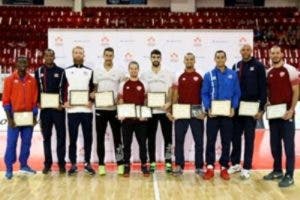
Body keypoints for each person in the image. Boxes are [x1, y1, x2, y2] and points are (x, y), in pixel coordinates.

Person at [229, 44, 267, 179]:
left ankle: (247, 166)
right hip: (238, 107)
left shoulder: (258, 65)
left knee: (249, 138)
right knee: (235, 137)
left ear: (251, 51)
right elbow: (233, 87)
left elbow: (263, 88)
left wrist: (261, 108)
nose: (245, 52)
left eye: (247, 50)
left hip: (251, 108)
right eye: (243, 50)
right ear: (240, 52)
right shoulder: (236, 66)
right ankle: (235, 163)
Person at [263, 46, 299, 187]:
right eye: (272, 53)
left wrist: (291, 109)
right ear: (269, 55)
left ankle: (289, 175)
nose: (275, 55)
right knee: (274, 145)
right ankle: (277, 170)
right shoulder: (268, 72)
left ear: (282, 54)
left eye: (277, 53)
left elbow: (296, 91)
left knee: (289, 146)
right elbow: (267, 91)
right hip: (274, 115)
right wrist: (266, 102)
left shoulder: (290, 70)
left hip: (287, 114)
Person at [202, 50, 241, 181]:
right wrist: (208, 108)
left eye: (222, 57)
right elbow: (205, 93)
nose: (220, 59)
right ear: (215, 59)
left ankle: (224, 166)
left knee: (226, 141)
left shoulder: (233, 75)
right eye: (217, 57)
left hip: (227, 114)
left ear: (226, 58)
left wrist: (233, 107)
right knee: (211, 141)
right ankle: (210, 167)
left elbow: (236, 93)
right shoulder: (209, 75)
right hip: (213, 115)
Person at [2, 56, 38, 179]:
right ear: (16, 64)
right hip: (15, 117)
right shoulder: (9, 79)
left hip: (28, 117)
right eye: (20, 62)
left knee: (26, 142)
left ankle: (24, 165)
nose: (22, 64)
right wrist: (10, 119)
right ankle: (9, 169)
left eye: (24, 62)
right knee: (11, 143)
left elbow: (34, 100)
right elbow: (6, 101)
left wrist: (34, 116)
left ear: (28, 64)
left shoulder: (32, 80)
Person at [91, 47, 125, 175]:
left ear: (113, 56)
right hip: (100, 109)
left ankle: (120, 163)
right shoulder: (97, 71)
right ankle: (101, 165)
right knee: (100, 138)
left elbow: (123, 89)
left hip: (114, 109)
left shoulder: (119, 71)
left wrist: (120, 99)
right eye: (107, 55)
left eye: (111, 55)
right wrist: (93, 94)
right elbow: (94, 88)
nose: (108, 57)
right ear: (103, 56)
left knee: (118, 138)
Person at [171, 53, 205, 176]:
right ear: (184, 61)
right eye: (187, 59)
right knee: (179, 140)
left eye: (191, 59)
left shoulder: (201, 74)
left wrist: (204, 110)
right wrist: (173, 110)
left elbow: (205, 93)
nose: (189, 61)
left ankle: (199, 167)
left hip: (197, 110)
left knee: (199, 140)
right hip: (182, 111)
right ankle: (179, 165)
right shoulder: (178, 75)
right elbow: (174, 93)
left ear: (194, 60)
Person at [34, 49, 68, 174]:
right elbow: (36, 89)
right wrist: (37, 102)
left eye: (51, 55)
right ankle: (47, 164)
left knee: (61, 137)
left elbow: (64, 89)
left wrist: (63, 103)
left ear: (54, 57)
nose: (49, 57)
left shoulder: (61, 72)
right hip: (45, 111)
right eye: (46, 55)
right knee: (46, 138)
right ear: (44, 57)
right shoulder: (38, 71)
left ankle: (61, 164)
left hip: (58, 110)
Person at [140, 49, 174, 173]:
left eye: (158, 57)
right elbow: (143, 95)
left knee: (168, 139)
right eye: (153, 57)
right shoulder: (144, 74)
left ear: (161, 58)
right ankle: (152, 162)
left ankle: (169, 162)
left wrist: (169, 104)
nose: (156, 59)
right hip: (151, 112)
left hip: (165, 112)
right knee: (151, 138)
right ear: (150, 58)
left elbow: (171, 91)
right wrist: (145, 110)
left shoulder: (168, 73)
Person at [64, 46, 95, 176]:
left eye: (80, 53)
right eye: (76, 53)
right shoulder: (66, 71)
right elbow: (63, 89)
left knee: (88, 138)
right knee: (72, 139)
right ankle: (73, 164)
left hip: (87, 111)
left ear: (84, 55)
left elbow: (93, 90)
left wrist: (91, 101)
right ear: (72, 54)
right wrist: (64, 101)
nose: (78, 55)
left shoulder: (90, 71)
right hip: (72, 111)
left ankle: (87, 163)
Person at [118, 61, 150, 177]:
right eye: (131, 68)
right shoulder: (123, 84)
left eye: (135, 68)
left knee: (142, 144)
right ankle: (127, 166)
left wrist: (145, 114)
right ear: (129, 69)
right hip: (127, 120)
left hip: (140, 121)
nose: (133, 70)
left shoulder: (144, 84)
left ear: (138, 70)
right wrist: (121, 112)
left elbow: (146, 101)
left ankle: (144, 166)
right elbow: (120, 100)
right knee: (126, 144)